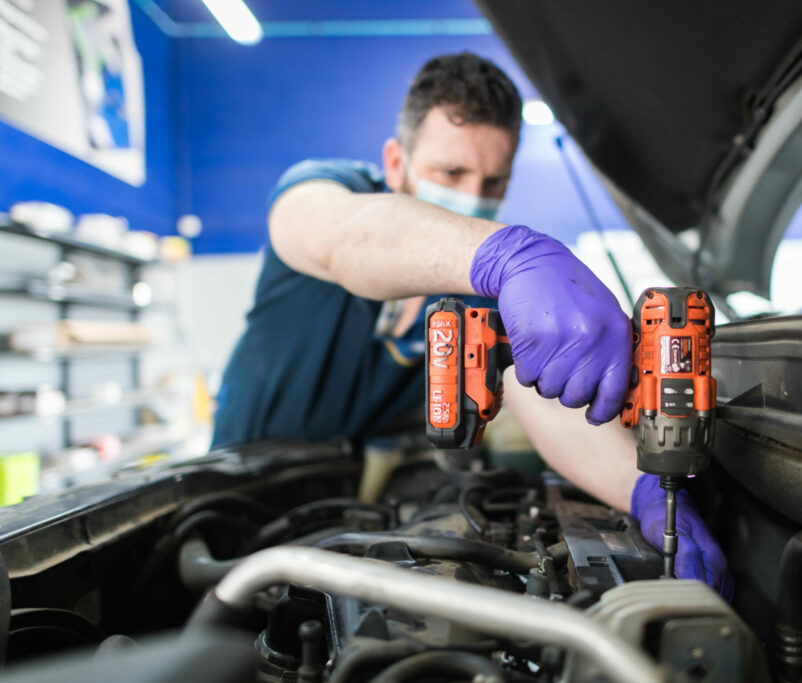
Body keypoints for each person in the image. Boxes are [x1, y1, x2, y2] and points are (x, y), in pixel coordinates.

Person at [213, 52, 730, 597]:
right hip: (235, 491)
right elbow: (349, 238)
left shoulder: (472, 286)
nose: (473, 197)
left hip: (341, 511)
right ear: (396, 164)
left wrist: (644, 487)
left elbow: (543, 400)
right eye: (451, 172)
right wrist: (504, 252)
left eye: (492, 182)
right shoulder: (325, 188)